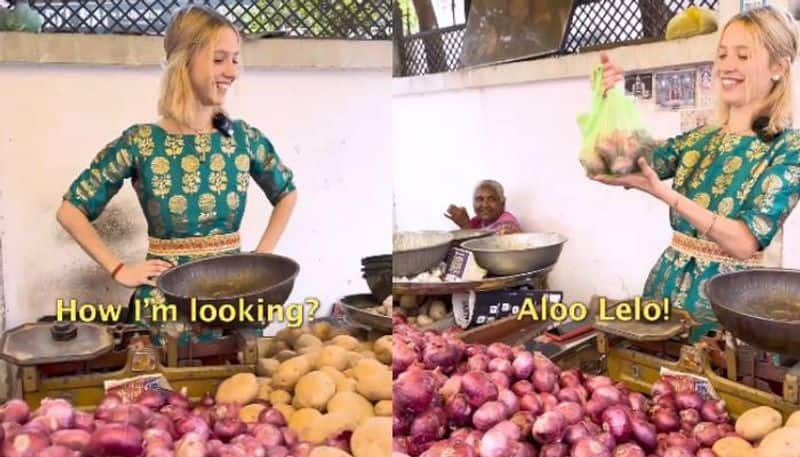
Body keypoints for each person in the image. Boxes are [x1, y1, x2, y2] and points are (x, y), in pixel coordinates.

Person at [56, 6, 297, 324]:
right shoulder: (140, 142)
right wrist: (119, 269)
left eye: (235, 59)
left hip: (236, 302)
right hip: (165, 308)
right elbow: (70, 211)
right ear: (184, 60)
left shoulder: (243, 139)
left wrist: (261, 258)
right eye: (218, 59)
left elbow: (287, 192)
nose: (232, 71)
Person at [593, 5, 800, 341]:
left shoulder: (788, 148)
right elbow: (614, 162)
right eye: (722, 55)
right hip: (664, 297)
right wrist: (608, 100)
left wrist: (667, 195)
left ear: (779, 67)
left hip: (731, 309)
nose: (727, 66)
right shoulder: (701, 138)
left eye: (743, 56)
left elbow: (745, 242)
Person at [446, 180, 522, 235]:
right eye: (479, 199)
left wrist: (465, 226)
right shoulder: (477, 221)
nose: (485, 205)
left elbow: (485, 250)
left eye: (492, 199)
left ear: (503, 203)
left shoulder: (508, 225)